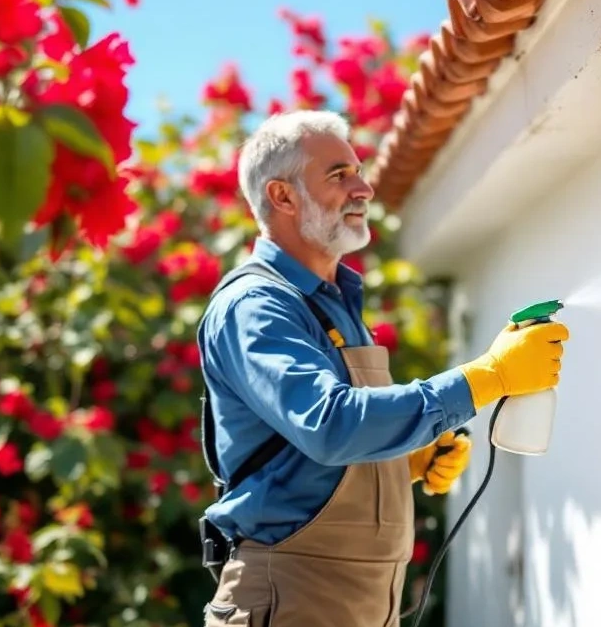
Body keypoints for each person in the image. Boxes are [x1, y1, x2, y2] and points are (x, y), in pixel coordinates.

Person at [194, 109, 568, 627]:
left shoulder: (335, 304)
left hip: (360, 601)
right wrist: (490, 376)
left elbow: (317, 453)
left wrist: (399, 462)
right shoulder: (256, 306)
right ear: (281, 196)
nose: (364, 188)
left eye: (357, 171)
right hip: (291, 595)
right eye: (338, 175)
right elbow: (331, 424)